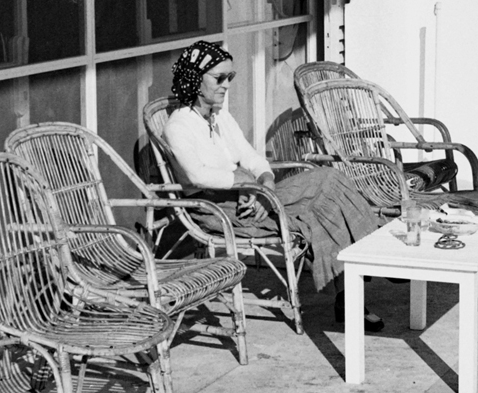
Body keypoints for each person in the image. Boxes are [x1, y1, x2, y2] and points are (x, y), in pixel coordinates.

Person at [162, 40, 386, 330]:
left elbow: (252, 159)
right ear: (195, 78)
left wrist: (264, 184)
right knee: (320, 201)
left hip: (248, 196)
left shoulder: (221, 118)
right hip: (216, 208)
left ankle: (360, 277)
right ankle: (371, 260)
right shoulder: (178, 125)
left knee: (328, 179)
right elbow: (196, 176)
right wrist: (247, 186)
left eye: (229, 77)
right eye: (218, 78)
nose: (226, 85)